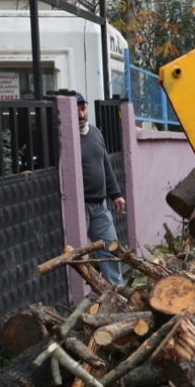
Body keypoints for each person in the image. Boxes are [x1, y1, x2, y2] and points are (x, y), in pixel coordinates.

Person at [62, 89, 126, 287]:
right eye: (76, 110)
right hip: (80, 207)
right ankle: (88, 298)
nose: (81, 115)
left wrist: (116, 194)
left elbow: (105, 164)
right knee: (81, 255)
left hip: (100, 205)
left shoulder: (95, 132)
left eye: (83, 109)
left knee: (111, 250)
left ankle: (118, 294)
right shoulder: (66, 140)